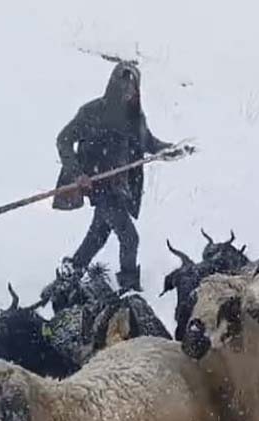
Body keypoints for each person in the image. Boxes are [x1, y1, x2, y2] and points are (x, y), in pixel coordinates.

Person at [53, 61, 171, 292]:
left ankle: (72, 272)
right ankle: (128, 287)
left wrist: (170, 150)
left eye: (133, 88)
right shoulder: (92, 112)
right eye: (124, 86)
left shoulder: (135, 118)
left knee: (98, 235)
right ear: (113, 86)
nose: (128, 92)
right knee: (130, 238)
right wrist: (78, 174)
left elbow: (149, 143)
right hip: (100, 186)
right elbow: (64, 139)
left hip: (120, 188)